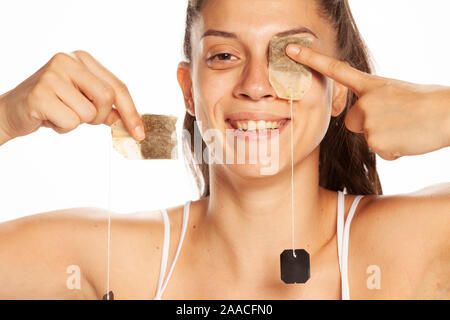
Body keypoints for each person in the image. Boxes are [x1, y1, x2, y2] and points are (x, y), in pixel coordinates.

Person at [0, 0, 449, 299]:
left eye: (289, 56)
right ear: (189, 90)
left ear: (337, 91)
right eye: (223, 56)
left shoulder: (412, 244)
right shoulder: (109, 257)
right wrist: (4, 119)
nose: (255, 86)